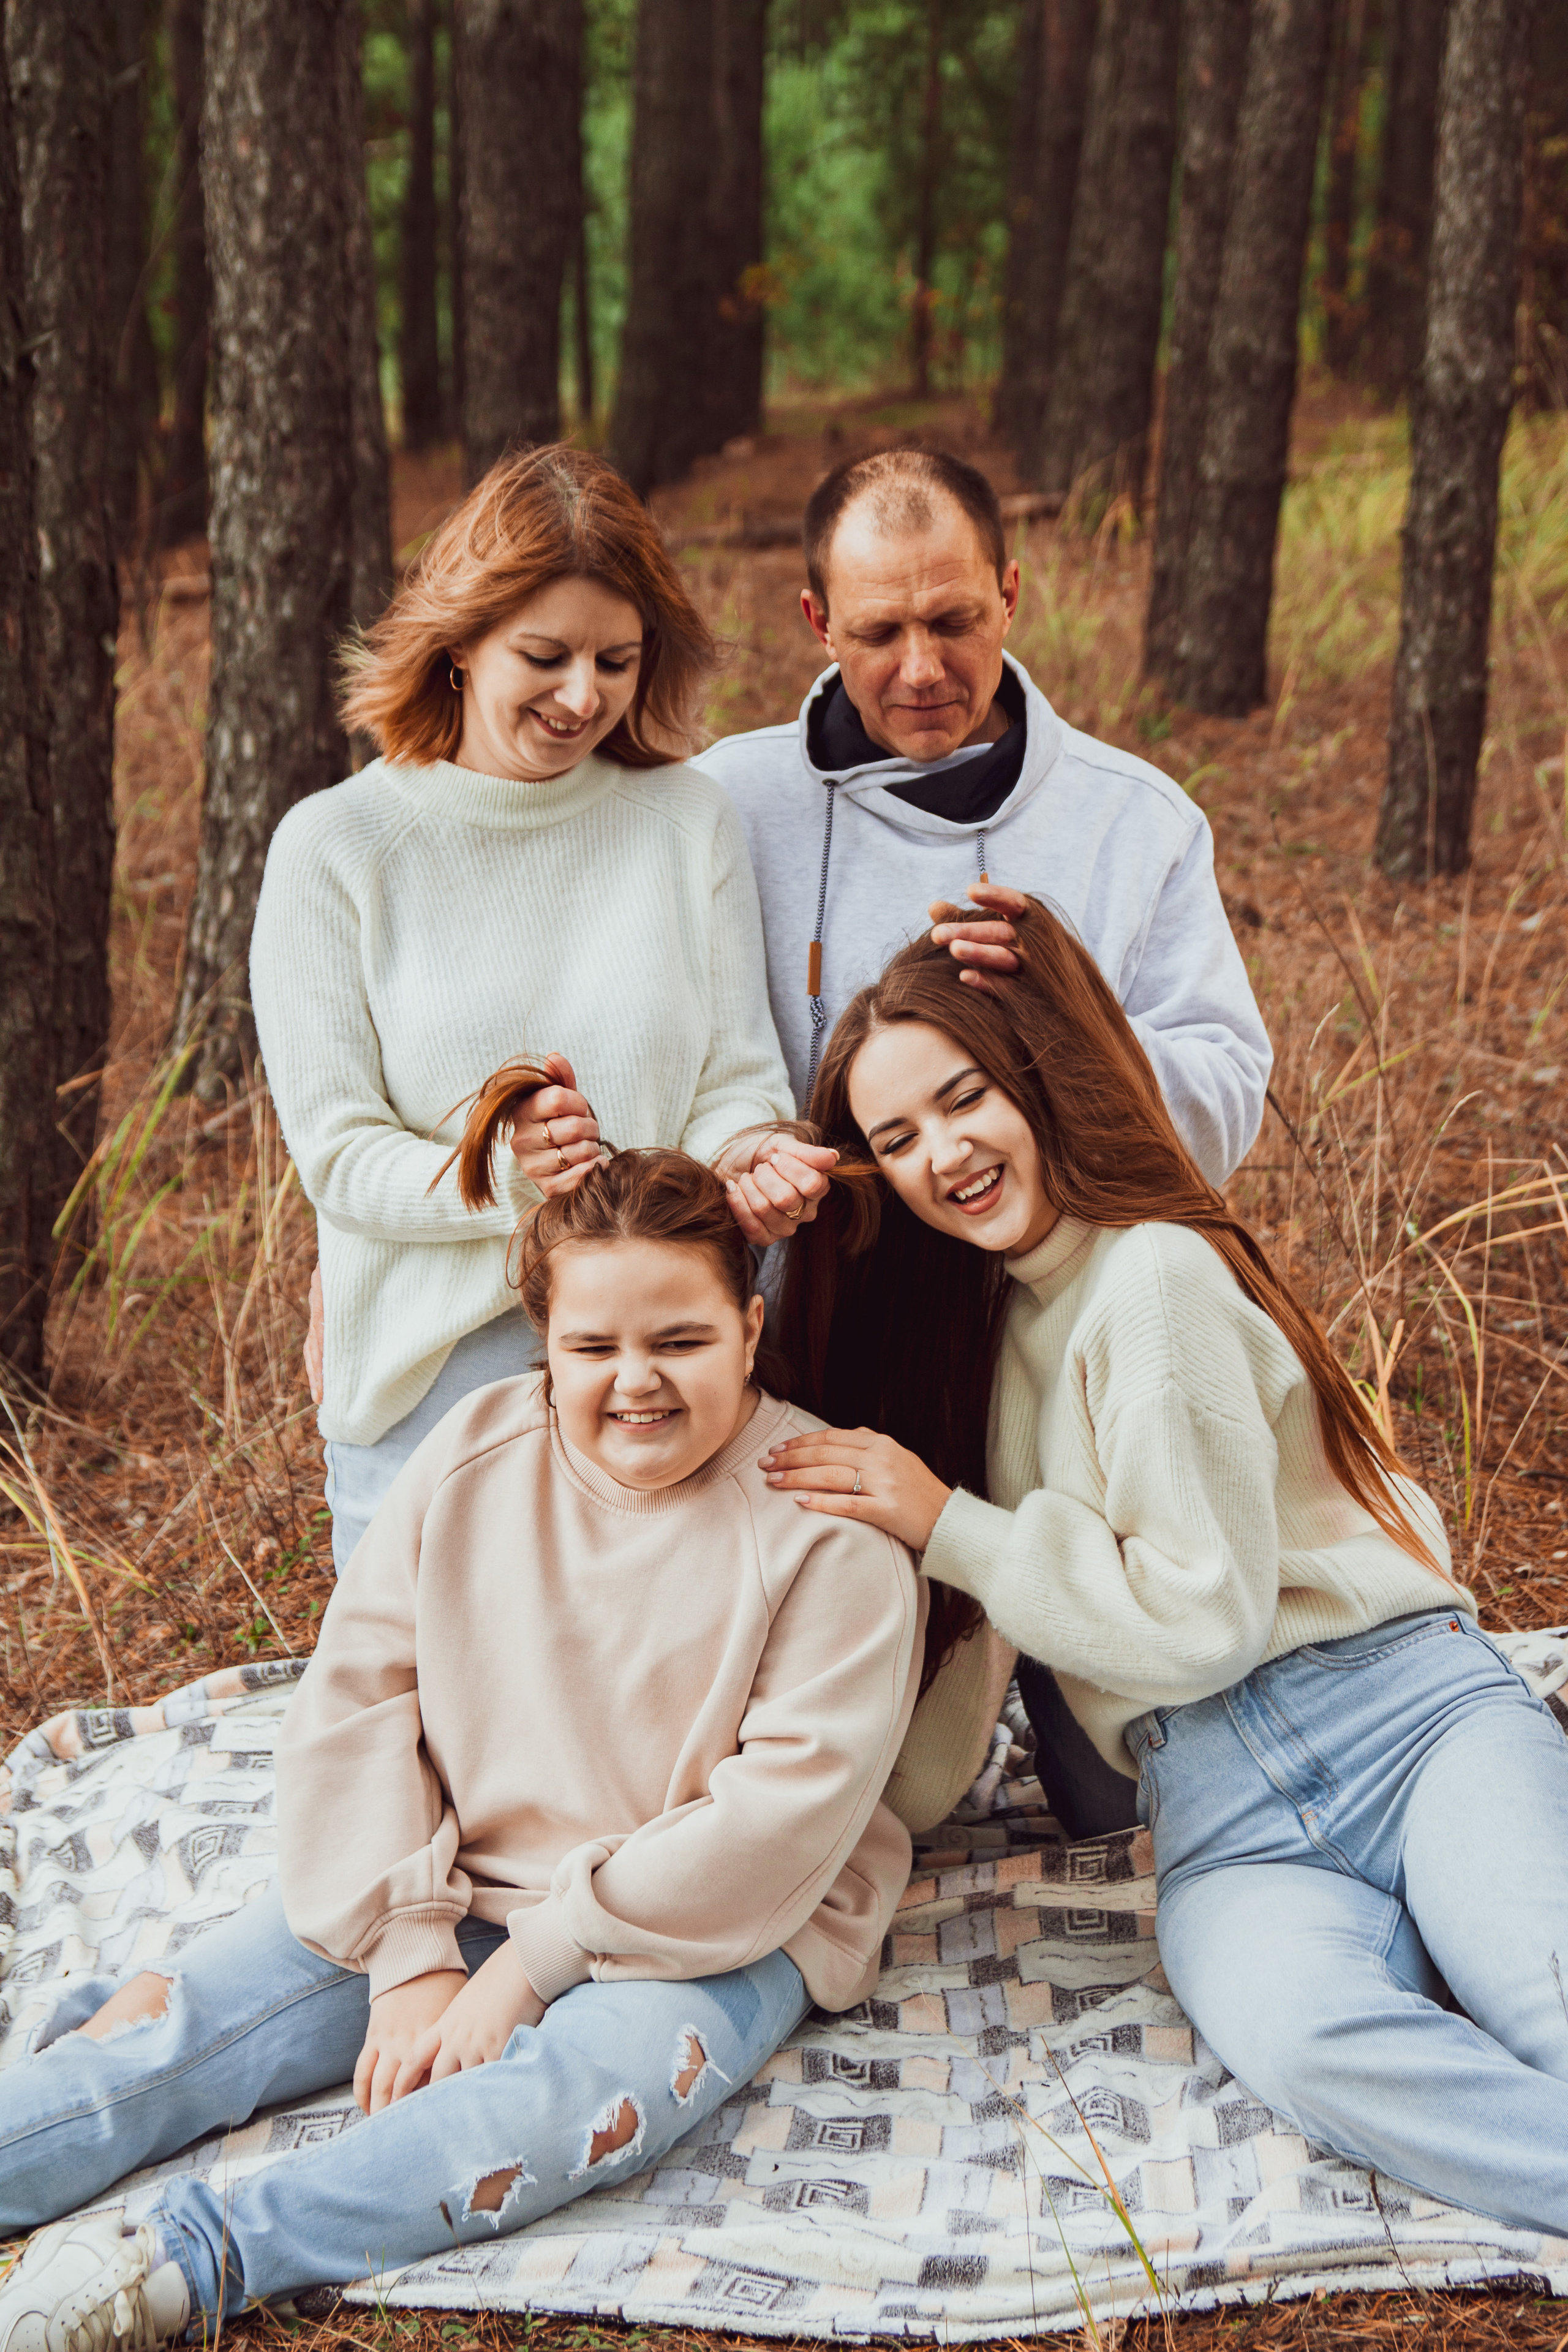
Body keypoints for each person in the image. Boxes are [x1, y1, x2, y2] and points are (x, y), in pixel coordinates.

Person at [0, 1129, 923, 2343]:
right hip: (453, 1868)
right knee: (183, 2037)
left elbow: (774, 1820)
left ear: (749, 1329)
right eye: (591, 1346)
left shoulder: (824, 1529)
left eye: (681, 1341)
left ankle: (195, 2257)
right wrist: (410, 1948)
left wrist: (528, 1970)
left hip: (702, 1929)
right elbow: (362, 1691)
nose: (634, 1379)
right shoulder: (480, 1448)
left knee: (572, 2109)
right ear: (546, 1343)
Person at [756, 899, 1568, 2237]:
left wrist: (941, 1520)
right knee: (1314, 2051)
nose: (941, 1154)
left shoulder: (1153, 1275)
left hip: (1405, 1722)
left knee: (1549, 1995)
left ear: (1026, 1078)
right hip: (1218, 1819)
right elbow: (991, 1653)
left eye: (962, 1099)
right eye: (893, 1140)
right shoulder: (984, 1332)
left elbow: (1198, 1620)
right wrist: (841, 1808)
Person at [251, 443, 832, 1572]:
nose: (584, 697)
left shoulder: (685, 820)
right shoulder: (337, 848)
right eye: (546, 655)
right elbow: (338, 1156)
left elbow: (731, 1083)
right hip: (441, 1372)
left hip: (658, 1359)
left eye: (617, 661)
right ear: (459, 642)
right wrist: (499, 1173)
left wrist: (757, 1156)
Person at [692, 447, 1272, 1199]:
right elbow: (665, 1065)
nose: (923, 668)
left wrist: (1069, 1022)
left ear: (1008, 597)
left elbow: (1222, 1115)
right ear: (821, 624)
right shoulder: (725, 803)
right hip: (789, 1296)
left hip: (1045, 1299)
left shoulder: (1136, 820)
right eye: (879, 634)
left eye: (952, 620)